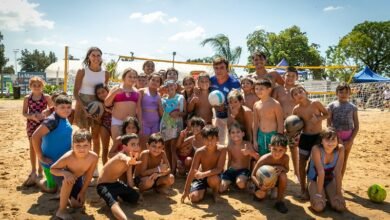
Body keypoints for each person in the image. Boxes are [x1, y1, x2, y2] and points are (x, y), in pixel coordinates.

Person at [50, 129, 98, 219]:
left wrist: (82, 192)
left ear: (91, 145)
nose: (82, 149)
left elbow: (89, 175)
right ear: (72, 145)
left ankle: (64, 195)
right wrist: (64, 173)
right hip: (60, 176)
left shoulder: (93, 157)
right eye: (78, 145)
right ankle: (61, 211)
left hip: (77, 178)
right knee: (69, 180)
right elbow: (52, 169)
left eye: (85, 145)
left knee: (78, 204)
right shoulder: (68, 157)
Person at [291, 85, 329, 199]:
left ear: (306, 92)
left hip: (318, 138)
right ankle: (303, 189)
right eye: (295, 94)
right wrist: (293, 134)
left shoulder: (316, 103)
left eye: (300, 92)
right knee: (301, 164)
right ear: (294, 98)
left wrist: (318, 119)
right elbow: (294, 126)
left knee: (317, 165)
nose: (299, 95)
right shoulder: (296, 110)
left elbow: (328, 114)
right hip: (305, 138)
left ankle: (320, 188)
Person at [73, 47, 109, 164]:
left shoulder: (105, 73)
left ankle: (93, 166)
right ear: (88, 57)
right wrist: (84, 109)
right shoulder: (82, 71)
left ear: (101, 57)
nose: (96, 58)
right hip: (82, 104)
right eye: (93, 55)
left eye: (98, 55)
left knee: (95, 137)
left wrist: (102, 109)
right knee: (83, 137)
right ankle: (83, 164)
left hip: (97, 107)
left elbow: (104, 92)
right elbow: (75, 92)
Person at [32, 95, 73, 193]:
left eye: (68, 107)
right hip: (51, 163)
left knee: (68, 186)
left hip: (64, 163)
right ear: (55, 108)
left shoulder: (64, 117)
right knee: (52, 189)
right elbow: (35, 137)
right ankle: (36, 179)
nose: (66, 110)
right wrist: (40, 156)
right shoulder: (52, 120)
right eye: (62, 107)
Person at [97, 134, 141, 220]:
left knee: (135, 197)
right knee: (114, 203)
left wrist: (134, 191)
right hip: (103, 185)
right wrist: (129, 160)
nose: (136, 147)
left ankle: (117, 196)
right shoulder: (121, 156)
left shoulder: (131, 160)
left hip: (115, 183)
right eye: (133, 144)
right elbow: (124, 158)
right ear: (124, 147)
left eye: (137, 144)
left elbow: (129, 179)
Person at [181, 125, 227, 203]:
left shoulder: (222, 149)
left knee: (213, 179)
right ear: (203, 140)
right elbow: (193, 170)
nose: (209, 142)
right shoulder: (199, 152)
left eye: (212, 139)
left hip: (212, 176)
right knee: (194, 198)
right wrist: (186, 190)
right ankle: (203, 190)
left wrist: (203, 174)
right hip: (201, 177)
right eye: (207, 139)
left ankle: (215, 192)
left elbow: (219, 169)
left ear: (217, 139)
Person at [22, 76, 53, 186]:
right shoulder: (27, 98)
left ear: (42, 86)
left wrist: (45, 113)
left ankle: (41, 170)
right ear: (30, 86)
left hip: (44, 125)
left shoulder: (46, 97)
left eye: (39, 85)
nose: (37, 87)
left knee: (42, 147)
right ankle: (33, 170)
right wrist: (32, 116)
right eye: (34, 85)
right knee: (32, 147)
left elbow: (53, 109)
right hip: (31, 124)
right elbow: (24, 113)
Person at [307, 127, 346, 212]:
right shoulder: (316, 149)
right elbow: (320, 172)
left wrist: (338, 193)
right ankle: (320, 193)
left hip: (329, 179)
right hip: (315, 180)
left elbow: (338, 172)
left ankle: (328, 194)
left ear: (337, 141)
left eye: (333, 140)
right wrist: (318, 194)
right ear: (321, 141)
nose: (331, 143)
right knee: (319, 207)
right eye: (327, 140)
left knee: (340, 206)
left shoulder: (341, 149)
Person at [272, 66, 300, 181]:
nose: (290, 78)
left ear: (297, 77)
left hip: (294, 125)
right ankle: (278, 171)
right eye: (288, 75)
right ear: (284, 76)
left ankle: (297, 173)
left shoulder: (299, 90)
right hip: (280, 123)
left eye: (293, 76)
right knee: (279, 148)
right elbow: (272, 104)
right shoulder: (278, 89)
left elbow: (303, 105)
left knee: (294, 149)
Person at [251, 133, 290, 213]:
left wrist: (282, 168)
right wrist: (260, 185)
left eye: (280, 150)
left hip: (275, 181)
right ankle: (260, 192)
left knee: (283, 176)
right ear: (269, 147)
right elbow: (252, 175)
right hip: (262, 182)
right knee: (260, 197)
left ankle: (279, 201)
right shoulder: (264, 159)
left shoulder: (285, 158)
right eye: (274, 149)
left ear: (285, 150)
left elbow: (287, 169)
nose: (277, 153)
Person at [327, 83, 359, 178]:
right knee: (333, 160)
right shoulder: (331, 106)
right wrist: (337, 138)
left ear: (350, 93)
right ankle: (330, 181)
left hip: (348, 137)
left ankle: (339, 182)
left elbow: (356, 126)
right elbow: (328, 124)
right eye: (341, 92)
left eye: (346, 92)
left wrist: (351, 140)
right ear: (336, 93)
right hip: (334, 138)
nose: (344, 94)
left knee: (343, 160)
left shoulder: (353, 107)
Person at [105, 68, 142, 142]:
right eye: (130, 76)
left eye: (134, 77)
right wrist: (115, 93)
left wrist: (140, 123)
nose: (132, 79)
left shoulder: (137, 92)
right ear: (124, 77)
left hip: (131, 124)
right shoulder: (116, 88)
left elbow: (139, 109)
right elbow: (106, 103)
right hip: (117, 121)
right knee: (117, 144)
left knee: (129, 146)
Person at [209, 57, 241, 145]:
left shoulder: (234, 82)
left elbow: (238, 102)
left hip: (232, 116)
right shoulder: (211, 80)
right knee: (220, 143)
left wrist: (226, 107)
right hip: (218, 117)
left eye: (222, 67)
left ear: (227, 68)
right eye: (216, 68)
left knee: (232, 143)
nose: (219, 70)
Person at [220, 123, 259, 193]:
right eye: (233, 132)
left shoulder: (247, 144)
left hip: (243, 171)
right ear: (230, 135)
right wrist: (226, 171)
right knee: (221, 188)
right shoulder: (229, 145)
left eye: (238, 132)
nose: (235, 134)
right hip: (231, 170)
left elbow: (258, 157)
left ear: (243, 134)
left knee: (240, 184)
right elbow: (229, 159)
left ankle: (246, 182)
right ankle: (232, 182)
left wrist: (249, 152)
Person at [160, 80, 187, 174]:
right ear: (165, 88)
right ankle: (169, 168)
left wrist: (178, 113)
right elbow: (162, 113)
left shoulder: (180, 98)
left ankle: (173, 170)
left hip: (176, 125)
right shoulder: (163, 99)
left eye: (172, 85)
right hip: (165, 125)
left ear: (175, 86)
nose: (170, 88)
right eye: (167, 86)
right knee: (166, 147)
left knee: (173, 148)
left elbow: (185, 113)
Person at [253, 79, 284, 156]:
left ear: (269, 90)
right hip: (260, 135)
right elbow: (255, 123)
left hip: (273, 136)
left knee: (273, 158)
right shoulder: (256, 104)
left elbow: (280, 123)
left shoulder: (275, 104)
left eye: (261, 89)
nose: (258, 91)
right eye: (256, 89)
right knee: (262, 157)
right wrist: (254, 139)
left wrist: (278, 140)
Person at [139, 73, 163, 149]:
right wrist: (139, 122)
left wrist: (160, 104)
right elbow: (137, 108)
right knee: (143, 145)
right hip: (143, 123)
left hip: (155, 123)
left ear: (159, 84)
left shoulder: (160, 95)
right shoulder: (142, 91)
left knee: (154, 146)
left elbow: (161, 113)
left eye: (157, 81)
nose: (155, 82)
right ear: (148, 80)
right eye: (153, 80)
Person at [95, 83, 112, 165]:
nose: (101, 94)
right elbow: (98, 120)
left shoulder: (114, 100)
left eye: (103, 92)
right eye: (98, 93)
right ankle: (105, 169)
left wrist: (109, 111)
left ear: (108, 91)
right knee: (105, 149)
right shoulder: (97, 105)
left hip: (116, 125)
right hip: (104, 126)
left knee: (116, 148)